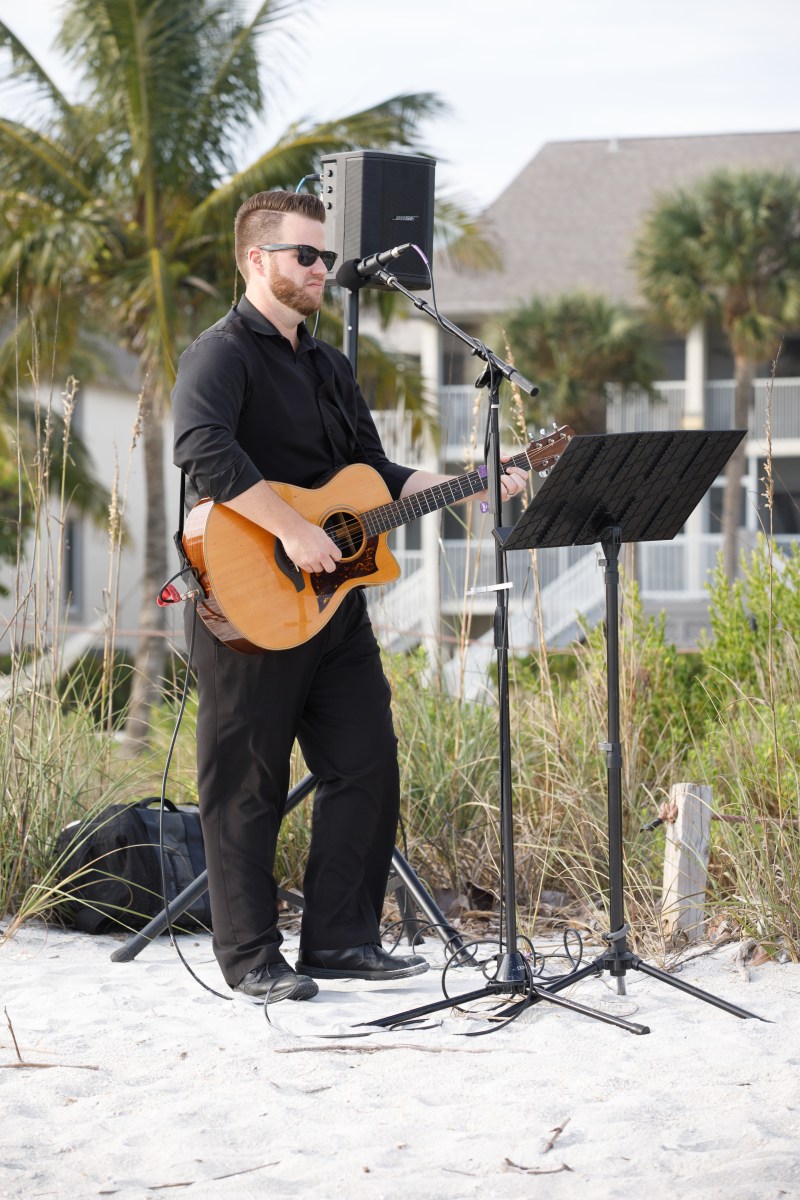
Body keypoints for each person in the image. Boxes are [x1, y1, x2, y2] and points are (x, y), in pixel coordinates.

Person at [172, 190, 528, 1003]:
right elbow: (203, 448)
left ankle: (340, 941)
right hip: (248, 597)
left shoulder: (328, 365)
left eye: (326, 257)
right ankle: (252, 959)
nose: (322, 269)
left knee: (366, 766)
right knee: (246, 785)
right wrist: (291, 530)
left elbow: (375, 474)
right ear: (257, 259)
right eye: (306, 255)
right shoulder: (220, 354)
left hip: (334, 607)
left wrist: (471, 484)